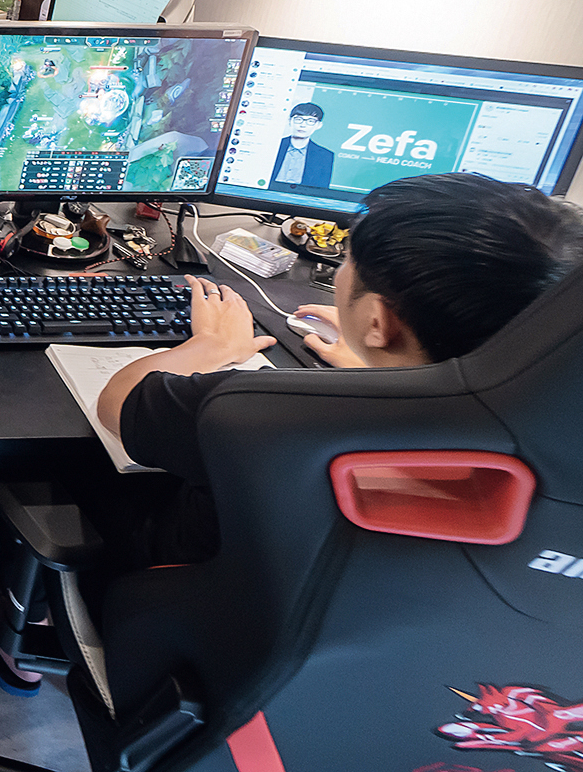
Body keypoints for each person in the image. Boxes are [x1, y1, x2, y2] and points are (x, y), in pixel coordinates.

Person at [96, 173, 583, 567]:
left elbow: (119, 400)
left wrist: (212, 345)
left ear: (377, 321)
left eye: (348, 258)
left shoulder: (266, 412)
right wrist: (378, 360)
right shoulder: (553, 448)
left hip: (192, 598)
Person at [270, 102, 334, 190]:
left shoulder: (325, 156)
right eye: (298, 119)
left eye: (310, 121)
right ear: (290, 121)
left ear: (318, 125)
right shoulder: (273, 146)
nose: (303, 125)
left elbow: (321, 189)